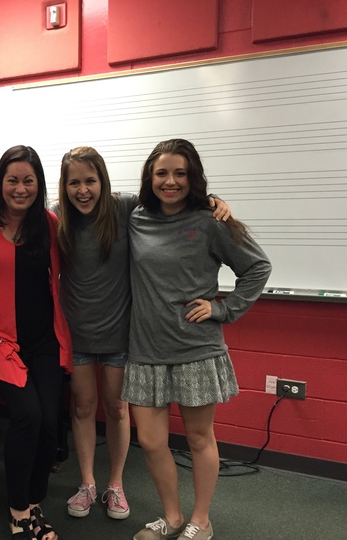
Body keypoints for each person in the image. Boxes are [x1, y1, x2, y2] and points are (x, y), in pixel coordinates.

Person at [54, 147, 231, 521]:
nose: (83, 190)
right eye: (74, 182)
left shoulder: (126, 209)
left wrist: (212, 200)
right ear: (64, 186)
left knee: (117, 409)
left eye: (90, 181)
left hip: (122, 333)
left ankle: (114, 484)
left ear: (103, 181)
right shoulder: (56, 217)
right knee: (83, 408)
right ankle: (87, 483)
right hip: (77, 333)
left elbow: (172, 196)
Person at [123, 139, 271, 540]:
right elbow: (85, 196)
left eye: (180, 173)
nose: (170, 181)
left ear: (194, 178)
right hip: (145, 349)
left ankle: (201, 521)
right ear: (149, 178)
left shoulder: (210, 221)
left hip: (195, 349)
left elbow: (257, 267)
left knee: (199, 437)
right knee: (151, 442)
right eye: (162, 173)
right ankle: (171, 517)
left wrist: (222, 309)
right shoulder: (134, 216)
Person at [0, 145, 73, 540]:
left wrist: (208, 200)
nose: (20, 188)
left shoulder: (49, 223)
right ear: (0, 182)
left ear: (38, 184)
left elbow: (107, 210)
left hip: (43, 339)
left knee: (50, 426)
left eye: (28, 180)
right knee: (28, 415)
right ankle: (18, 511)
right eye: (12, 180)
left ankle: (34, 499)